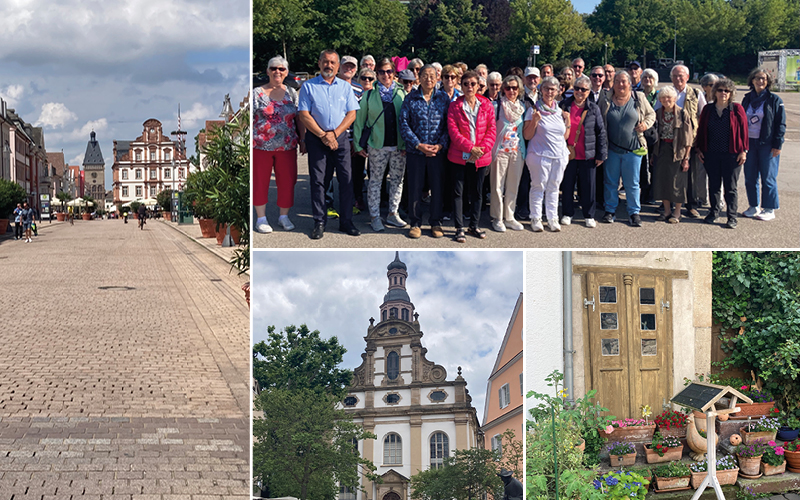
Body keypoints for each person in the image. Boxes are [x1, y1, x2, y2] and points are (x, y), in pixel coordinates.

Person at [297, 49, 361, 239]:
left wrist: (334, 134)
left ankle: (346, 221)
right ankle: (319, 221)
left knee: (346, 179)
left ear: (338, 66)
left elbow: (352, 114)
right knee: (318, 181)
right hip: (317, 139)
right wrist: (323, 135)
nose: (329, 65)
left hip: (339, 137)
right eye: (325, 61)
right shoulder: (308, 87)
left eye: (333, 62)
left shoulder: (345, 87)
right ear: (319, 63)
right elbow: (304, 114)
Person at [354, 57, 408, 232]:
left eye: (389, 71)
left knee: (397, 181)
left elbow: (407, 119)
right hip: (377, 145)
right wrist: (358, 145)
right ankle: (375, 216)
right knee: (376, 181)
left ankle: (393, 213)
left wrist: (407, 144)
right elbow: (359, 121)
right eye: (382, 72)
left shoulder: (401, 93)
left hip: (398, 146)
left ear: (394, 73)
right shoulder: (369, 94)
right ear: (377, 74)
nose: (386, 75)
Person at [596, 70, 656, 227]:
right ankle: (610, 211)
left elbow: (651, 115)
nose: (621, 84)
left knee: (632, 183)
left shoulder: (639, 98)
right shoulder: (606, 99)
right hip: (612, 149)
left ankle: (634, 212)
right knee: (610, 182)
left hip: (633, 149)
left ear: (630, 84)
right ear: (613, 84)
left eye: (624, 81)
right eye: (617, 81)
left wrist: (645, 124)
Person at [253, 56, 304, 233]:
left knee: (287, 182)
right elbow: (249, 119)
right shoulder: (257, 93)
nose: (277, 72)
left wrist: (302, 139)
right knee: (260, 182)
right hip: (261, 146)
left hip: (287, 145)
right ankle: (261, 218)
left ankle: (284, 216)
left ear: (286, 72)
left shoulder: (291, 93)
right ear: (267, 71)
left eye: (281, 69)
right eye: (274, 68)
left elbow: (299, 117)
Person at [399, 64, 450, 238]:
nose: (429, 79)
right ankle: (415, 222)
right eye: (425, 76)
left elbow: (448, 126)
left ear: (437, 78)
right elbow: (404, 124)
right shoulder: (410, 98)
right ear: (418, 78)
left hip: (437, 151)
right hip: (416, 152)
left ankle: (436, 222)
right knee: (415, 187)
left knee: (437, 187)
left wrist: (440, 145)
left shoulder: (443, 98)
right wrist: (417, 144)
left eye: (432, 76)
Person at [447, 70, 496, 242]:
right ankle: (459, 227)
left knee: (477, 192)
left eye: (473, 84)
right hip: (460, 155)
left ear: (478, 86)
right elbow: (453, 132)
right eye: (466, 84)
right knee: (458, 192)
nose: (469, 87)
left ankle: (473, 225)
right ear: (461, 86)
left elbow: (491, 130)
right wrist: (470, 148)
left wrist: (481, 149)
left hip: (481, 157)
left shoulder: (486, 105)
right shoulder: (455, 106)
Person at [655, 64, 708, 218]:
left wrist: (700, 140)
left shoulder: (696, 93)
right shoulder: (665, 93)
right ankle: (666, 206)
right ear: (671, 78)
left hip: (690, 140)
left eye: (681, 75)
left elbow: (703, 115)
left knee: (689, 174)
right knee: (667, 174)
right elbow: (656, 113)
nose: (678, 78)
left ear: (687, 77)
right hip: (667, 141)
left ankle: (691, 205)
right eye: (675, 76)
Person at [694, 78, 748, 229]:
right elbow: (701, 130)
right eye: (720, 90)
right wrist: (699, 148)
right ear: (714, 92)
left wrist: (744, 151)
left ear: (731, 93)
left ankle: (731, 217)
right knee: (714, 185)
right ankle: (713, 212)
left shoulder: (736, 109)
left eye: (727, 90)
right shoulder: (708, 109)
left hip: (732, 154)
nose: (723, 93)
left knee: (731, 187)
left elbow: (744, 132)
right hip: (711, 153)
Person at [559, 75, 607, 228]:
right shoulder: (564, 105)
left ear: (588, 92)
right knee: (567, 185)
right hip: (568, 153)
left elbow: (601, 132)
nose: (580, 92)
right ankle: (567, 213)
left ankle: (589, 215)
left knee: (588, 186)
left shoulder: (593, 108)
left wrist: (601, 154)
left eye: (584, 90)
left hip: (588, 153)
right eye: (577, 88)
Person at [524, 76, 570, 232]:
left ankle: (552, 218)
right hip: (539, 155)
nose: (549, 92)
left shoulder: (560, 111)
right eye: (546, 88)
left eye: (553, 89)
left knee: (554, 187)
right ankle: (536, 218)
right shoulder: (533, 109)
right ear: (541, 90)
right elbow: (527, 135)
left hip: (559, 155)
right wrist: (535, 121)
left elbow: (563, 136)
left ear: (557, 92)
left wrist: (568, 123)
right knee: (538, 187)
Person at [741, 68, 785, 221]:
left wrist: (778, 144)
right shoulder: (747, 99)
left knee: (768, 177)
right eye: (758, 78)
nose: (761, 81)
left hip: (767, 144)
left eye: (764, 79)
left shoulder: (774, 100)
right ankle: (753, 206)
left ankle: (769, 208)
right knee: (750, 176)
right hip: (749, 143)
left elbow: (780, 124)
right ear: (752, 80)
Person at [650, 86, 693, 224]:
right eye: (663, 97)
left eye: (669, 97)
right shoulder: (657, 113)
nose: (666, 100)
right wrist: (652, 155)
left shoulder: (682, 113)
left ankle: (677, 212)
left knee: (677, 182)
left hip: (677, 151)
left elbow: (688, 138)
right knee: (662, 180)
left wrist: (686, 158)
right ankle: (667, 211)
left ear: (675, 98)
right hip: (661, 150)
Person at [489, 75, 526, 232]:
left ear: (519, 90)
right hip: (500, 151)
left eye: (515, 88)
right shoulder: (497, 106)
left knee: (513, 186)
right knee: (497, 186)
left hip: (517, 152)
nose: (511, 91)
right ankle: (497, 217)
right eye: (508, 88)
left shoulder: (523, 107)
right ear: (503, 89)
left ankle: (509, 217)